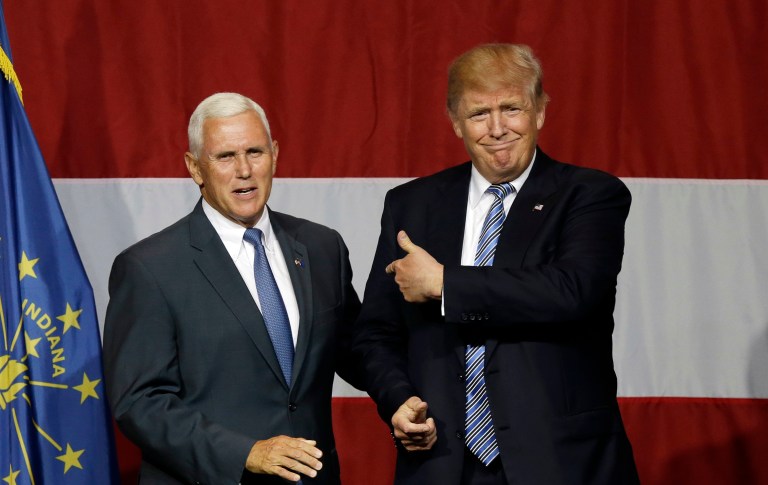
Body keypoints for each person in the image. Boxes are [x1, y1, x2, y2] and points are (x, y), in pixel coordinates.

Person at [354, 44, 640, 484]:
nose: (497, 128)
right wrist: (398, 399)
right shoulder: (411, 205)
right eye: (478, 114)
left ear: (540, 111)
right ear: (455, 123)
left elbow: (571, 291)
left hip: (560, 463)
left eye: (512, 108)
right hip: (442, 460)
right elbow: (377, 331)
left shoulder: (589, 195)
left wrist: (445, 284)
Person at [103, 92, 363, 484]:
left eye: (255, 152)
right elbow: (139, 404)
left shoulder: (321, 247)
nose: (244, 169)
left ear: (274, 154)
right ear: (195, 168)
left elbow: (356, 350)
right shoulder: (149, 268)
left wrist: (399, 397)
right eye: (225, 156)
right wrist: (247, 453)